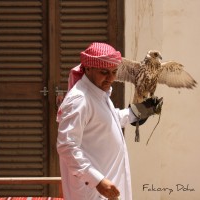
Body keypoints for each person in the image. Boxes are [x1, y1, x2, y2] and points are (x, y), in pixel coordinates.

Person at [56, 42, 162, 200]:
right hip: (92, 191)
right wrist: (97, 180)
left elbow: (108, 121)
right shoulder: (79, 100)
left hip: (107, 187)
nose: (111, 78)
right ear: (88, 68)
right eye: (104, 72)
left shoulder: (97, 93)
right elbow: (66, 146)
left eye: (114, 72)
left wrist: (138, 111)